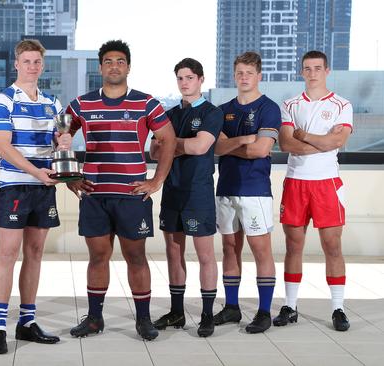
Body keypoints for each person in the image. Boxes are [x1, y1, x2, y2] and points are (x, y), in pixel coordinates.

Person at [65, 39, 176, 341]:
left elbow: (168, 139)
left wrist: (157, 181)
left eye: (120, 61)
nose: (114, 66)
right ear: (100, 67)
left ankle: (143, 320)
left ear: (128, 67)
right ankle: (94, 319)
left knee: (136, 257)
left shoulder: (146, 102)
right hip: (94, 194)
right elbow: (59, 135)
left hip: (131, 195)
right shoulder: (82, 104)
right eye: (109, 61)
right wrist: (69, 177)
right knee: (98, 257)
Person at [0, 39, 68, 354]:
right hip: (16, 186)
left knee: (35, 254)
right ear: (16, 64)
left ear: (42, 65)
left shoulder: (53, 102)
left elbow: (62, 138)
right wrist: (36, 172)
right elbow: (1, 146)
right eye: (27, 61)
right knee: (8, 254)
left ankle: (27, 323)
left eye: (37, 61)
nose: (32, 66)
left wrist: (64, 141)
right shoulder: (3, 99)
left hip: (44, 187)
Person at [274, 50, 353, 332]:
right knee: (293, 245)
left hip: (327, 182)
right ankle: (290, 306)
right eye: (307, 68)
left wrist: (305, 135)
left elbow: (338, 141)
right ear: (301, 72)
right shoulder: (290, 104)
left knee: (332, 245)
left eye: (317, 68)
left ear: (327, 71)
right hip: (296, 181)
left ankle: (338, 308)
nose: (312, 73)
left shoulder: (343, 104)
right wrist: (323, 141)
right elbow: (285, 144)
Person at [150, 58, 223, 337]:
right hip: (172, 190)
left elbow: (200, 146)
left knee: (205, 255)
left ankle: (206, 315)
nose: (184, 83)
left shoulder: (211, 113)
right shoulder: (168, 114)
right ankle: (177, 313)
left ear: (200, 80)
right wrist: (177, 146)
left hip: (198, 192)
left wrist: (171, 144)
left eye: (189, 77)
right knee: (173, 252)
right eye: (180, 78)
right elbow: (154, 153)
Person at [213, 51, 280, 334]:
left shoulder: (269, 108)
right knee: (229, 247)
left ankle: (264, 312)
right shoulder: (222, 109)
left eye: (249, 73)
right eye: (239, 72)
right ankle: (231, 308)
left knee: (260, 249)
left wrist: (230, 144)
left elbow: (261, 149)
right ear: (234, 75)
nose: (243, 77)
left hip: (255, 190)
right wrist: (242, 141)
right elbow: (214, 148)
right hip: (226, 187)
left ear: (259, 76)